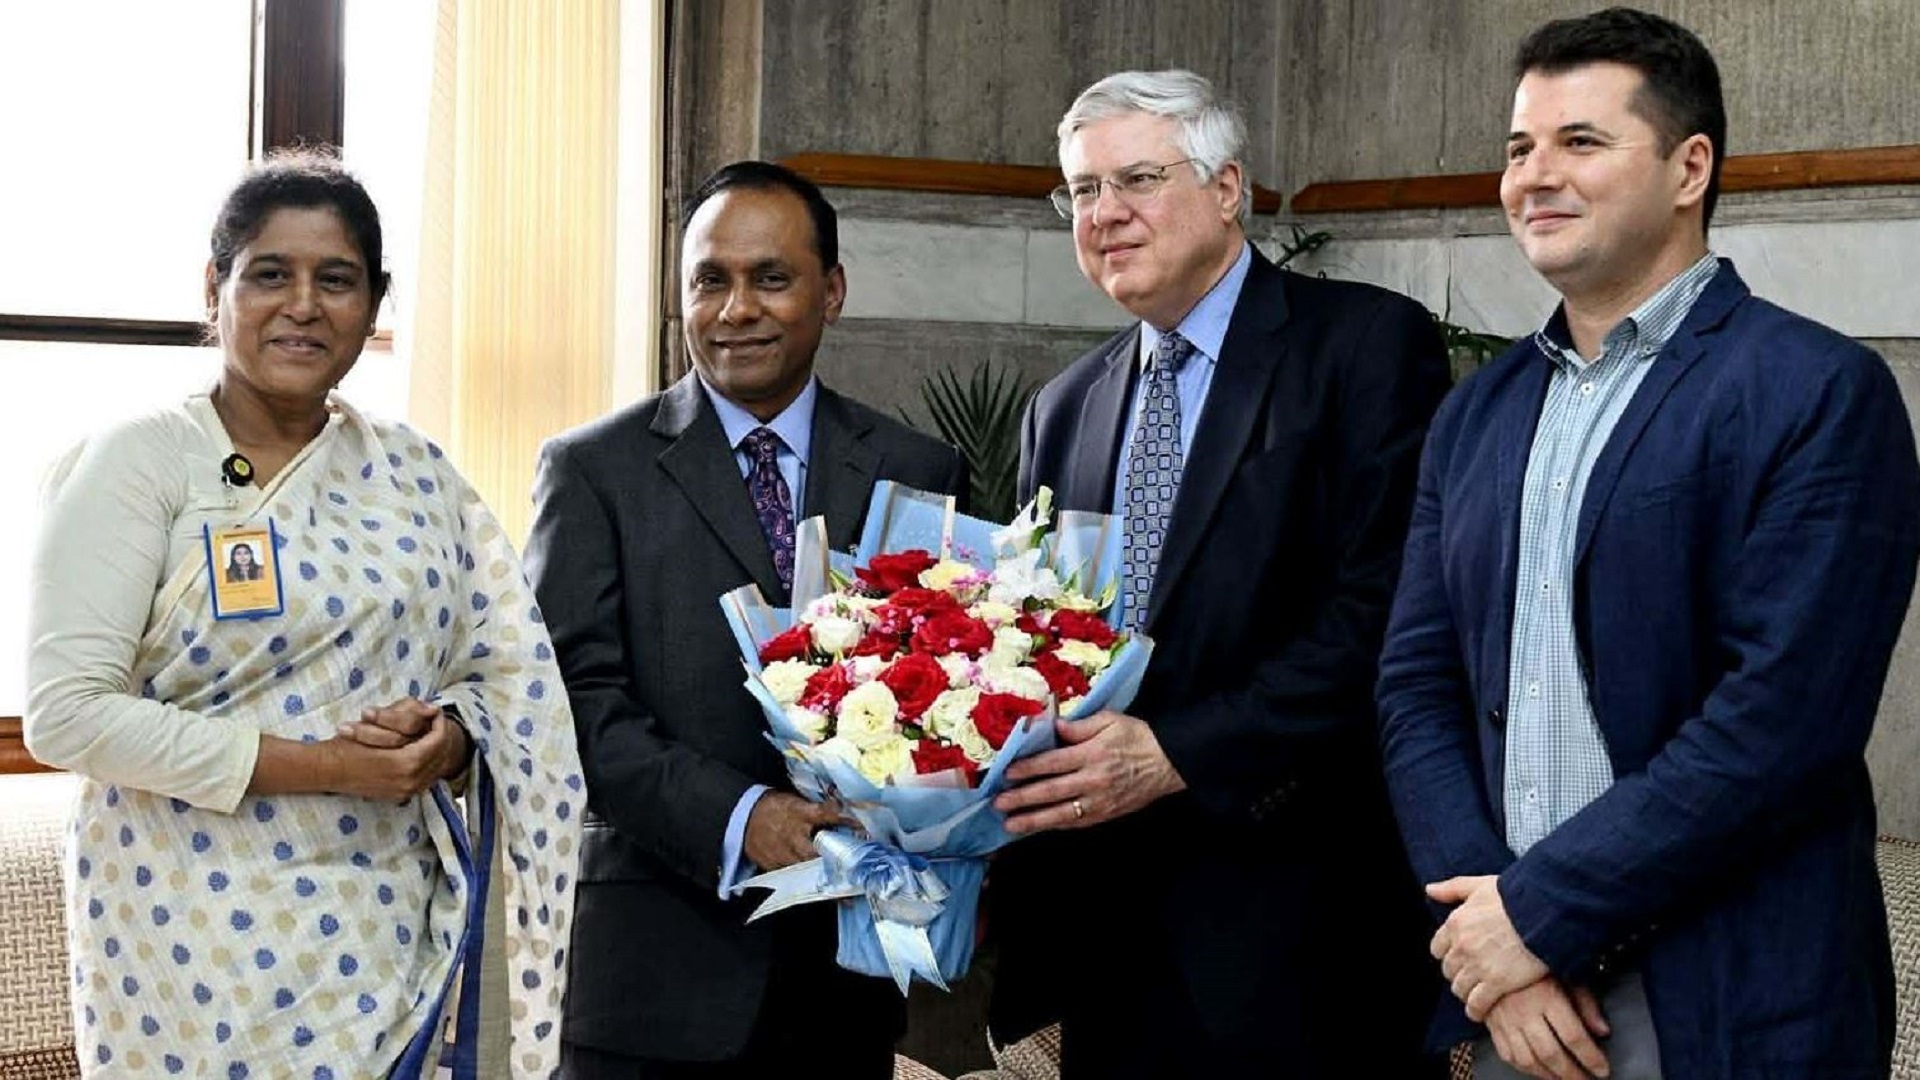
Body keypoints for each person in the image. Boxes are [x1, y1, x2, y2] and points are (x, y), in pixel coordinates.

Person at [1376, 9, 1920, 1079]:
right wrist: (1494, 936)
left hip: (1728, 989)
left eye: (1580, 142)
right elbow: (1414, 681)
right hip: (1515, 991)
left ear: (1690, 167)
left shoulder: (1817, 392)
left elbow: (1781, 723)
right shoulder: (1476, 412)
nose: (1534, 175)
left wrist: (1537, 915)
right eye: (1519, 148)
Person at [25, 151, 584, 1079]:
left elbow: (502, 678)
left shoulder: (415, 474)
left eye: (337, 280)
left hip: (384, 927)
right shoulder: (140, 463)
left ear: (375, 302)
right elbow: (67, 713)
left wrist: (442, 740)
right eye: (270, 274)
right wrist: (329, 766)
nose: (304, 305)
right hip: (185, 934)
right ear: (217, 286)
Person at [986, 69, 1451, 1078]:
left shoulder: (1364, 345)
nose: (1105, 214)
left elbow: (1383, 613)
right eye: (1082, 191)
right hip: (1109, 944)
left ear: (1228, 188)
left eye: (1137, 180)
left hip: (1302, 933)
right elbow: (1030, 646)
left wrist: (1177, 752)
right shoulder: (1060, 410)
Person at [525, 160, 966, 1079]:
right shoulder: (594, 471)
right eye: (710, 281)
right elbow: (572, 710)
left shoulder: (919, 470)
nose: (736, 310)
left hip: (841, 987)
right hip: (649, 977)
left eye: (771, 278)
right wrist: (739, 816)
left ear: (832, 291)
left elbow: (958, 689)